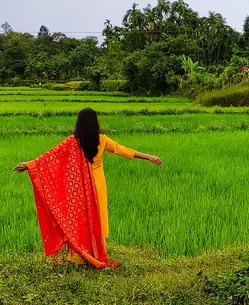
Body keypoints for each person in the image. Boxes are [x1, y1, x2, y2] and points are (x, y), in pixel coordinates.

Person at [14, 108, 162, 267]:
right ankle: (96, 253)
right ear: (95, 122)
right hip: (98, 187)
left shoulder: (72, 141)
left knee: (80, 219)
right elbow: (124, 150)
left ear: (79, 123)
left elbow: (50, 157)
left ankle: (81, 256)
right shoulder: (103, 140)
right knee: (97, 219)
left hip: (78, 189)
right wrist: (148, 156)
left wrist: (29, 165)